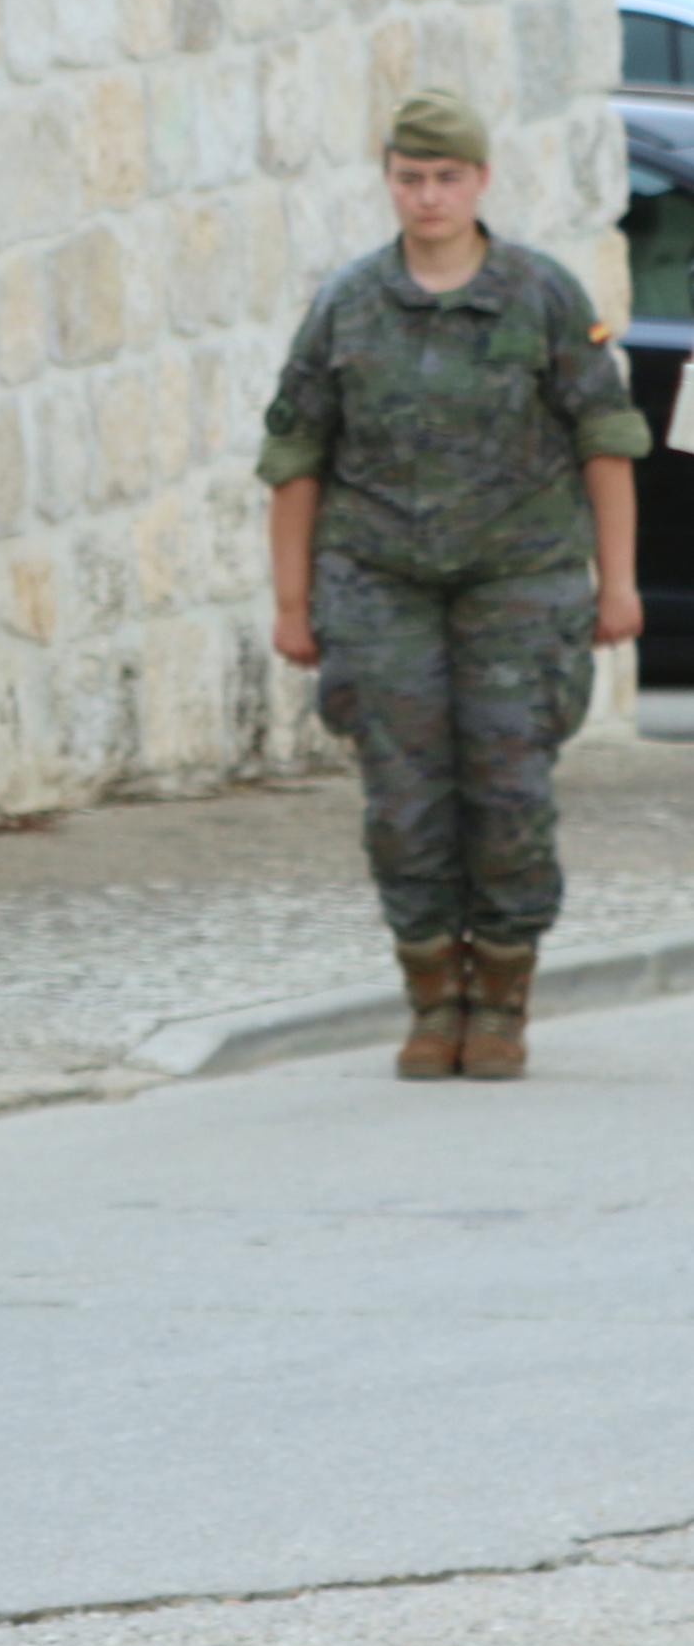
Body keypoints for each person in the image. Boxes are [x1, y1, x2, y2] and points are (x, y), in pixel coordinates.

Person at [259, 89, 651, 1078]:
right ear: (387, 182)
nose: (426, 196)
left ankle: (502, 995)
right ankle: (432, 994)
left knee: (508, 790)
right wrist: (291, 604)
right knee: (403, 800)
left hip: (519, 577)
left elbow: (604, 441)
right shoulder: (347, 302)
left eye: (444, 177)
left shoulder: (541, 294)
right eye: (409, 178)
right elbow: (295, 457)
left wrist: (617, 584)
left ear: (478, 180)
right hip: (377, 579)